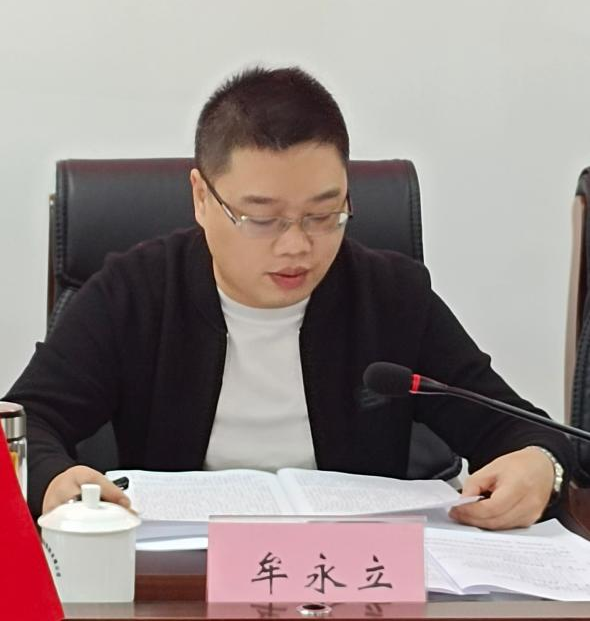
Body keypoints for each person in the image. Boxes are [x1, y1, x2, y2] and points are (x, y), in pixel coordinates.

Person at [4, 66, 572, 529]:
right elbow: (27, 424)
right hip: (180, 585)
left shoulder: (391, 297)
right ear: (201, 197)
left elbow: (522, 430)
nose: (297, 246)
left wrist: (540, 465)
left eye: (325, 214)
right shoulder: (134, 293)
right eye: (262, 219)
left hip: (354, 586)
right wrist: (53, 480)